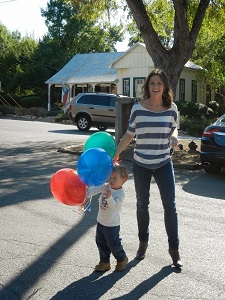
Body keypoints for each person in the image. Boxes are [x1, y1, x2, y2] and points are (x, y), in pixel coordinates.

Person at [114, 69, 182, 268]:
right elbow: (129, 134)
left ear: (164, 86)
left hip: (163, 162)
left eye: (159, 83)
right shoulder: (138, 108)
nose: (155, 87)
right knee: (142, 205)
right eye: (152, 83)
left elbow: (174, 127)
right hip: (141, 163)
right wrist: (116, 153)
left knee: (170, 206)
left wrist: (175, 136)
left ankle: (174, 250)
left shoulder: (171, 108)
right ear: (147, 86)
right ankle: (143, 243)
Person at [85, 165, 129, 272]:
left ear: (123, 180)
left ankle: (122, 258)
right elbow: (95, 189)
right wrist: (86, 193)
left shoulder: (120, 194)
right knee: (101, 242)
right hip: (101, 221)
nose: (111, 180)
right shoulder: (106, 186)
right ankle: (104, 262)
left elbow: (114, 206)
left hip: (112, 225)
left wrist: (109, 197)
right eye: (110, 177)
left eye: (115, 178)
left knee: (113, 244)